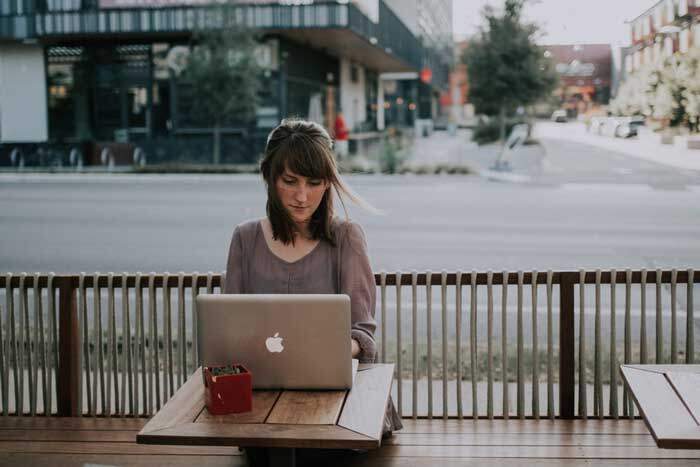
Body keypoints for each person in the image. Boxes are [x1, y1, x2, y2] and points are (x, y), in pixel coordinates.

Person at [224, 118, 401, 465]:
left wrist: (323, 350)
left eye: (314, 183)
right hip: (263, 403)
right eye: (290, 182)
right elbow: (230, 328)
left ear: (328, 184)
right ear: (270, 178)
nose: (302, 197)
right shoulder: (245, 239)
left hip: (339, 405)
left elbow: (363, 337)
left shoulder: (347, 238)